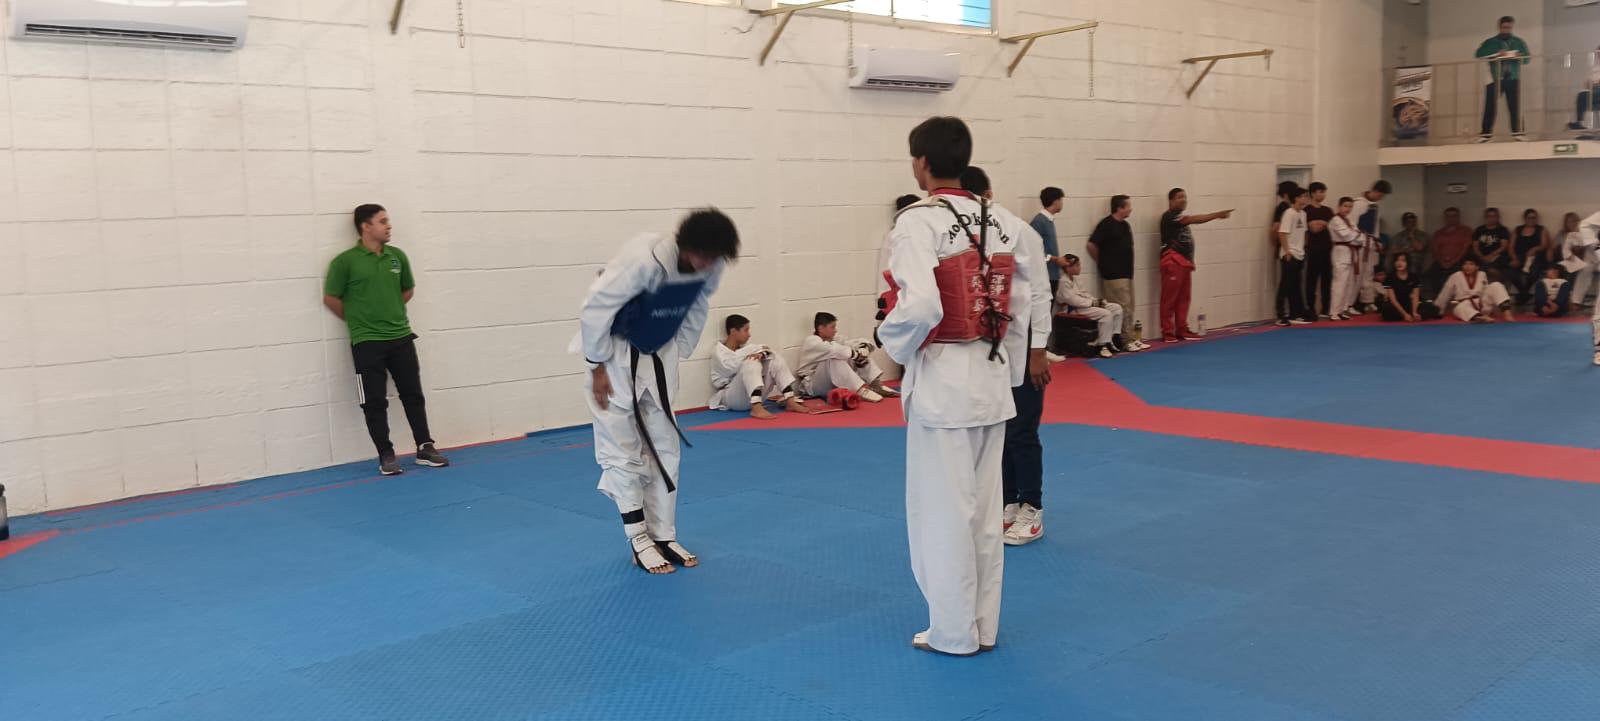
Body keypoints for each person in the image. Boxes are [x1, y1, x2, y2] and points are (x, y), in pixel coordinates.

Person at [879, 116, 1048, 656]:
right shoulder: (1001, 220)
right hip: (993, 380)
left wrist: (891, 345)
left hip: (945, 386)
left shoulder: (917, 222)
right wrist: (1023, 357)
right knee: (981, 514)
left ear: (922, 163)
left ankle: (952, 633)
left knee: (944, 512)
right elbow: (1025, 296)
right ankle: (983, 626)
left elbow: (923, 305)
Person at [576, 208, 739, 575]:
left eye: (714, 258)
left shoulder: (710, 264)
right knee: (622, 448)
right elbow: (595, 308)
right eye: (703, 255)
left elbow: (698, 303)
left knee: (665, 445)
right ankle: (637, 537)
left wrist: (679, 349)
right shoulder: (643, 258)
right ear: (685, 245)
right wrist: (595, 367)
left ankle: (664, 533)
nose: (707, 264)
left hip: (661, 350)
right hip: (615, 353)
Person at [960, 166, 1053, 549]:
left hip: (1025, 338)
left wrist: (1038, 350)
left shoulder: (1018, 231)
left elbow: (1040, 292)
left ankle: (1033, 507)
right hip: (992, 341)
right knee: (1000, 429)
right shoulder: (967, 234)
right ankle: (1009, 501)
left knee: (1023, 429)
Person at [323, 204, 449, 476]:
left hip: (402, 338)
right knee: (374, 401)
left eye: (387, 221)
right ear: (365, 226)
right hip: (366, 343)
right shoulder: (344, 262)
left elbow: (407, 290)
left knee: (413, 394)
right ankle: (386, 454)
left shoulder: (397, 257)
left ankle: (425, 447)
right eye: (382, 221)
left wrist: (388, 312)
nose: (388, 226)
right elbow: (331, 298)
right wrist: (360, 321)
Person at [1158, 188, 1232, 341]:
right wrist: (1216, 215)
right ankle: (1168, 332)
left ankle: (1182, 329)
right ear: (1171, 201)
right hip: (1173, 261)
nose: (1183, 199)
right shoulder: (1169, 216)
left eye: (1185, 197)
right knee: (1169, 299)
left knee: (1184, 299)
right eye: (1179, 197)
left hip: (1184, 263)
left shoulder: (1178, 218)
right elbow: (1193, 219)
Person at [710, 315, 811, 420]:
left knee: (774, 358)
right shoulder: (718, 352)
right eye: (746, 330)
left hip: (753, 396)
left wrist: (762, 354)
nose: (749, 335)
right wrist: (754, 353)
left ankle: (790, 400)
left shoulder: (748, 349)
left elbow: (767, 349)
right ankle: (756, 408)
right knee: (751, 362)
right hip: (733, 398)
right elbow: (733, 367)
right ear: (733, 331)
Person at [1088, 194, 1147, 350]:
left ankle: (1130, 337)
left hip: (1127, 273)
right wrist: (1102, 262)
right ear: (1120, 208)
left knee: (1129, 307)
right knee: (1123, 307)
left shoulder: (1125, 225)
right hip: (1113, 275)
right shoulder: (1106, 224)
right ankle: (1125, 340)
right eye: (1128, 206)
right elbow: (1091, 245)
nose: (1131, 208)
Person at [799, 312, 895, 402]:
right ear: (821, 328)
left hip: (831, 384)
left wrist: (863, 349)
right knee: (835, 358)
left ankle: (875, 384)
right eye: (832, 327)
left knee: (858, 354)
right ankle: (860, 390)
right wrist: (856, 355)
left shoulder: (835, 339)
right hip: (813, 386)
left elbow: (855, 343)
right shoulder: (812, 341)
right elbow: (834, 350)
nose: (835, 330)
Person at [1474, 15, 1531, 142]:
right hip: (1495, 78)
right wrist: (1497, 54)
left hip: (1512, 77)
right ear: (1500, 27)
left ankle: (1518, 132)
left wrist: (1518, 55)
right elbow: (1478, 54)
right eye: (1505, 27)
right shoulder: (1490, 42)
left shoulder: (1518, 42)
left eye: (1509, 28)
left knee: (1515, 106)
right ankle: (1485, 134)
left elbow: (1527, 59)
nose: (1507, 30)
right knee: (1490, 106)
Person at [1058, 254, 1126, 357]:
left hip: (1085, 306)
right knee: (1106, 314)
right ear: (1068, 268)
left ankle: (1113, 338)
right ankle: (1102, 345)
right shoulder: (1064, 281)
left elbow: (1084, 294)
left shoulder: (1076, 279)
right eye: (1077, 265)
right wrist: (1093, 303)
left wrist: (1097, 301)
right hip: (1073, 310)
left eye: (1079, 265)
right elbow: (1072, 300)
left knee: (1116, 308)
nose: (1079, 267)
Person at [1274, 186, 1312, 326]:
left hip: (1300, 254)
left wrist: (1303, 249)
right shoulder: (1289, 213)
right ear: (1296, 198)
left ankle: (1295, 313)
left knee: (1296, 285)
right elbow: (1282, 233)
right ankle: (1280, 315)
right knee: (1285, 285)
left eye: (1306, 196)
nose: (1306, 199)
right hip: (1290, 254)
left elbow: (1304, 233)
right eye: (1303, 196)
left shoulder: (1303, 214)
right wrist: (1287, 251)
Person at [1435, 257, 1514, 323]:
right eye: (1465, 264)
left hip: (1481, 304)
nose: (1467, 267)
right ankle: (1479, 317)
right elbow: (1445, 293)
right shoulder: (1456, 276)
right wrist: (1438, 310)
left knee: (1496, 285)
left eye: (1471, 264)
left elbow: (1488, 292)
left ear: (1477, 267)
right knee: (1458, 308)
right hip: (1464, 305)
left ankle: (1507, 314)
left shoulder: (1482, 274)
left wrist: (1492, 307)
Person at [1348, 180, 1391, 294]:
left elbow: (1375, 228)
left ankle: (1366, 301)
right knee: (1356, 275)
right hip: (1359, 244)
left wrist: (1377, 242)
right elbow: (1352, 225)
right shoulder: (1358, 203)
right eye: (1380, 195)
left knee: (1368, 274)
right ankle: (1352, 302)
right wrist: (1359, 241)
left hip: (1371, 245)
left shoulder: (1375, 206)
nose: (1380, 198)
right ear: (1375, 191)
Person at [1328, 196, 1364, 320]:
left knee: (1348, 283)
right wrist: (1356, 235)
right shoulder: (1335, 220)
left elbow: (1361, 238)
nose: (1348, 209)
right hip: (1340, 252)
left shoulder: (1349, 221)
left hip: (1350, 253)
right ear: (1339, 206)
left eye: (1350, 207)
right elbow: (1347, 235)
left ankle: (1342, 309)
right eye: (1345, 206)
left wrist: (1356, 235)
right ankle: (1334, 312)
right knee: (1339, 283)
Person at [1302, 183, 1335, 317]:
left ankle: (1326, 308)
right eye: (1319, 192)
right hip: (1313, 249)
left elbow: (1332, 225)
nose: (1322, 195)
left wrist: (1321, 222)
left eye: (1324, 192)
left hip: (1327, 249)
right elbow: (1314, 228)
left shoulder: (1328, 210)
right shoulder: (1307, 210)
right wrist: (1324, 223)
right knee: (1312, 280)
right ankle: (1310, 308)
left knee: (1327, 280)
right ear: (1312, 193)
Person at [1029, 186, 1069, 297]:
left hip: (1052, 274)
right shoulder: (1039, 221)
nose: (1062, 203)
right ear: (1055, 201)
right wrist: (1055, 259)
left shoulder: (1048, 220)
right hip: (1044, 276)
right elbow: (1033, 251)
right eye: (1061, 200)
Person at [1510, 208, 1553, 302]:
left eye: (1534, 218)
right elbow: (1511, 246)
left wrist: (1535, 249)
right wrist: (1514, 258)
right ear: (1525, 218)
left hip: (1537, 257)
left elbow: (1545, 245)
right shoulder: (1518, 229)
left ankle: (1523, 294)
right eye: (1530, 217)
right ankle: (1524, 293)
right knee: (1511, 272)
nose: (1532, 220)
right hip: (1520, 256)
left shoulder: (1541, 229)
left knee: (1534, 271)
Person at [1429, 207, 1475, 293]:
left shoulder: (1466, 231)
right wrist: (1442, 262)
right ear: (1445, 218)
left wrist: (1453, 261)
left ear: (1458, 217)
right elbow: (1435, 250)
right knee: (1432, 271)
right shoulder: (1438, 233)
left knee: (1459, 271)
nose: (1451, 218)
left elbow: (1465, 249)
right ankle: (1438, 298)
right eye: (1449, 216)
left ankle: (1458, 297)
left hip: (1460, 261)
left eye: (1454, 216)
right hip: (1441, 261)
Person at [1560, 212, 1599, 308]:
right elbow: (1568, 248)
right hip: (1590, 258)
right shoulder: (1582, 230)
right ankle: (1576, 301)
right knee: (1585, 270)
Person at [1379, 254, 1428, 322]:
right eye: (1397, 260)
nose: (1399, 263)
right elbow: (1393, 300)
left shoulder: (1414, 277)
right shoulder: (1390, 277)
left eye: (1403, 261)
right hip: (1395, 305)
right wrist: (1404, 314)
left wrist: (1414, 312)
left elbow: (1415, 297)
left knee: (1429, 307)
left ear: (1408, 263)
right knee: (1386, 310)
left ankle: (1413, 316)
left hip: (1408, 304)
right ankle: (1406, 316)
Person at [1472, 208, 1512, 282]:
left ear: (1497, 217)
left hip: (1497, 256)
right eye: (1489, 216)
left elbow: (1503, 247)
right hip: (1481, 256)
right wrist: (1482, 257)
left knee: (1490, 268)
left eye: (1494, 216)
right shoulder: (1479, 230)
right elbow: (1475, 247)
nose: (1491, 218)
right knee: (1485, 267)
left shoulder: (1502, 230)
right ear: (1486, 217)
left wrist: (1490, 256)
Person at [1567, 46, 1600, 131]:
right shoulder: (1595, 68)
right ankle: (1579, 122)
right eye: (1598, 53)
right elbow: (1587, 83)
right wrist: (1594, 83)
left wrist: (1596, 83)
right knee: (1581, 95)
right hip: (1594, 92)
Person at [1387, 211, 1429, 275]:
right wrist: (1405, 250)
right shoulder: (1398, 236)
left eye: (1413, 222)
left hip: (1418, 263)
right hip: (1402, 263)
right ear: (1404, 224)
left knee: (1413, 263)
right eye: (1409, 222)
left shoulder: (1423, 235)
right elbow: (1392, 250)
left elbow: (1419, 248)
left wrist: (1412, 236)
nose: (1412, 224)